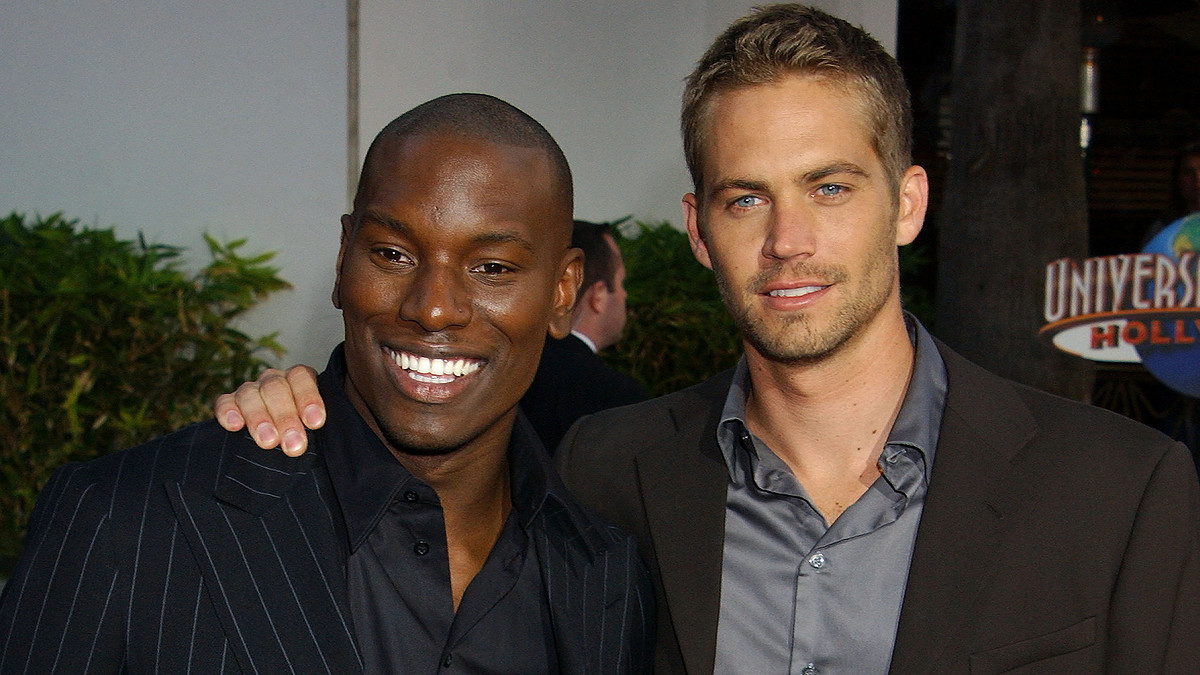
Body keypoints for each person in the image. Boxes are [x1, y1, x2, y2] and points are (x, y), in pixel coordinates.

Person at [214, 5, 1200, 673]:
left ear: (907, 204)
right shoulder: (607, 471)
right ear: (698, 230)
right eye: (746, 198)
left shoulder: (1115, 493)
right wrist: (309, 409)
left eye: (829, 186)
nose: (788, 242)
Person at [0, 93, 653, 674]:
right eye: (393, 254)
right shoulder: (126, 521)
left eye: (491, 266)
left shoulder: (609, 576)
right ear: (343, 258)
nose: (432, 308)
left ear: (564, 292)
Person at [520, 219, 648, 450]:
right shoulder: (617, 397)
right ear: (598, 295)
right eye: (621, 283)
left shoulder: (504, 375)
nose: (625, 296)